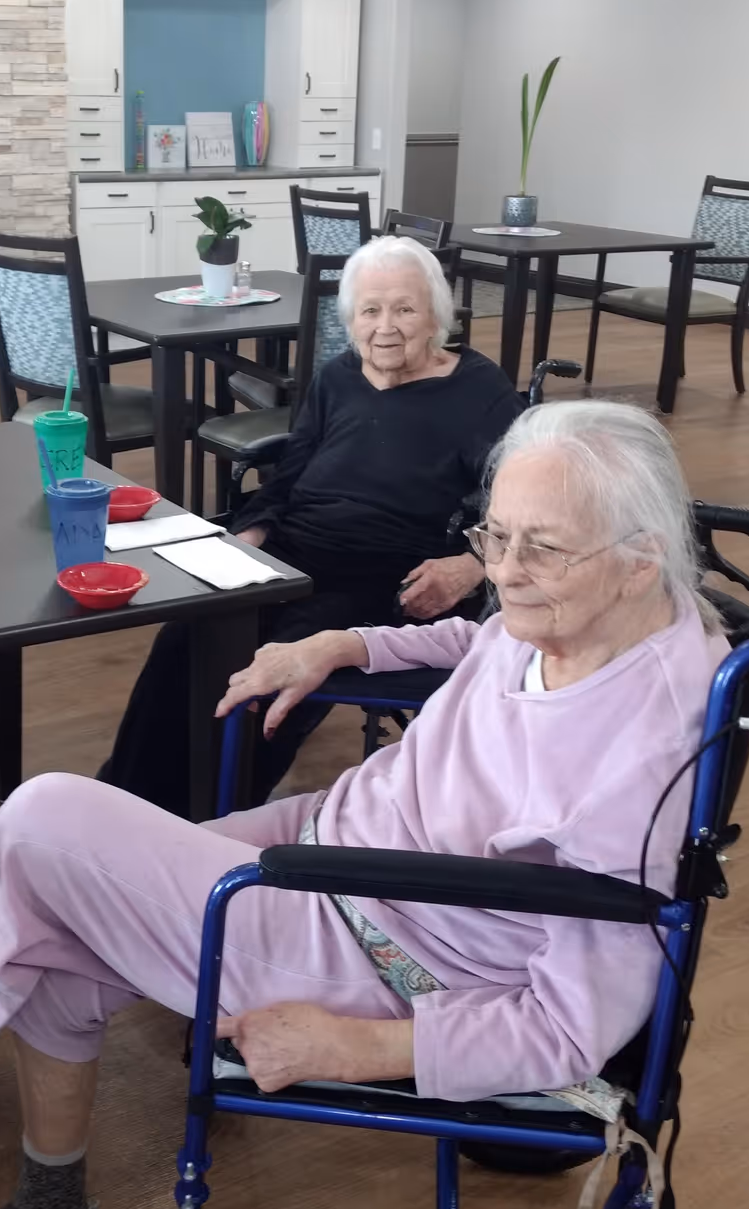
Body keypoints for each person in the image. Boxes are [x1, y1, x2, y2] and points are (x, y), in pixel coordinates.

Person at [0, 400, 731, 1209]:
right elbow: (485, 638)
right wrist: (342, 643)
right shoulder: (610, 610)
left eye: (542, 548)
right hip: (339, 840)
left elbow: (574, 1027)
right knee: (58, 912)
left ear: (641, 557)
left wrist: (353, 1047)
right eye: (494, 537)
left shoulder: (639, 766)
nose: (507, 571)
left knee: (43, 818)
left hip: (385, 949)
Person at [100, 235, 522, 816]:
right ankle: (123, 801)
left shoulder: (478, 391)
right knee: (188, 635)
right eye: (370, 311)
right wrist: (248, 536)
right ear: (351, 320)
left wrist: (471, 566)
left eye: (405, 309)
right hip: (295, 548)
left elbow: (521, 503)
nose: (386, 327)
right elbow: (290, 470)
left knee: (275, 663)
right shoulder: (338, 377)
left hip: (387, 573)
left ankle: (210, 817)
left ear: (436, 318)